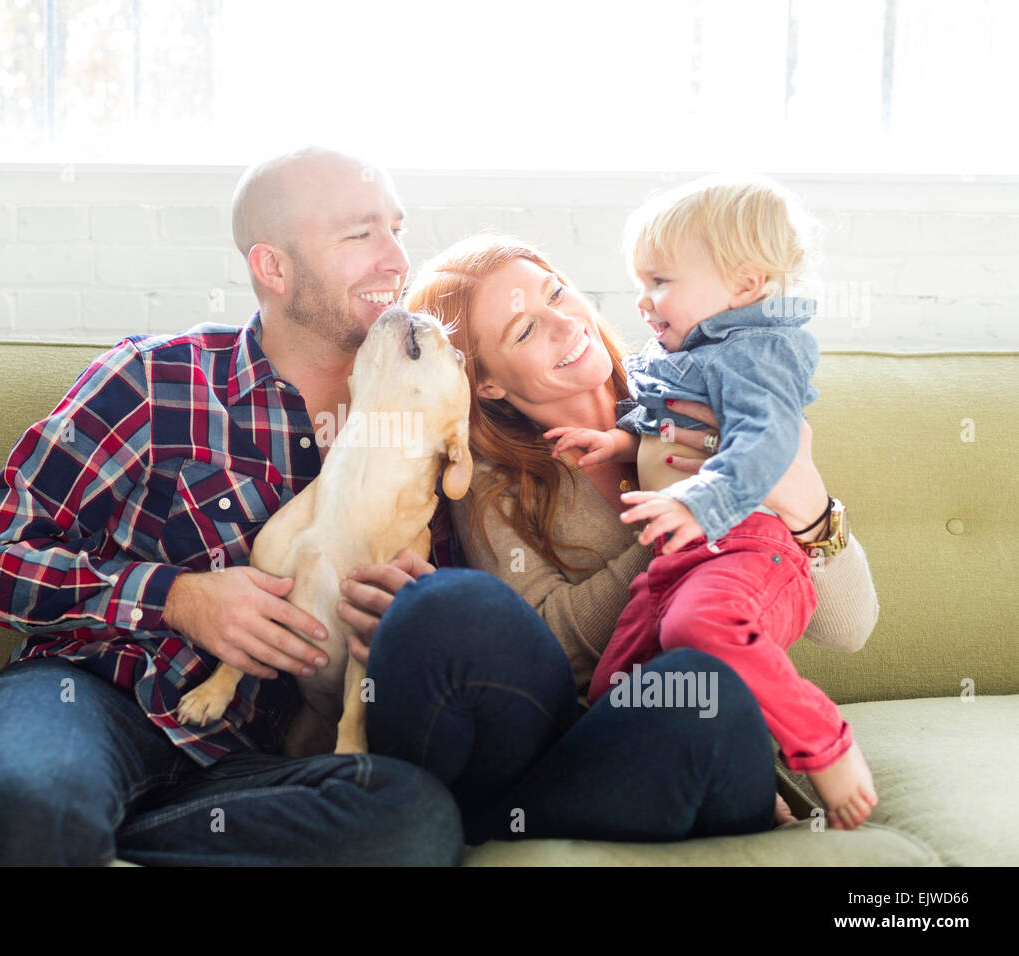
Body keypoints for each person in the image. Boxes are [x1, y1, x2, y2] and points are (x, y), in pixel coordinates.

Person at [0, 145, 465, 866]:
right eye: (360, 234)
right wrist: (175, 598)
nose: (395, 259)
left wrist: (404, 621)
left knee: (413, 823)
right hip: (91, 699)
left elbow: (433, 620)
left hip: (251, 762)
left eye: (398, 228)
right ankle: (34, 820)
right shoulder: (152, 378)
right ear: (274, 267)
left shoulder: (426, 412)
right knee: (37, 803)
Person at [331, 228, 879, 842]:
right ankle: (456, 821)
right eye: (525, 331)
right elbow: (553, 646)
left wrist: (803, 502)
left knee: (706, 688)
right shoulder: (497, 488)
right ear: (487, 384)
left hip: (711, 731)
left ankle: (481, 824)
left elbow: (849, 628)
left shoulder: (698, 389)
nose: (565, 325)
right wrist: (684, 517)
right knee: (450, 608)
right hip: (598, 732)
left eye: (556, 294)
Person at [550, 175, 877, 828]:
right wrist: (616, 441)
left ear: (745, 285)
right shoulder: (690, 352)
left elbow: (766, 443)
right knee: (614, 690)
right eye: (641, 284)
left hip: (749, 548)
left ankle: (825, 746)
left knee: (701, 629)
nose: (644, 302)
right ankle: (749, 779)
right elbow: (669, 425)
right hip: (681, 559)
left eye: (662, 282)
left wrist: (700, 501)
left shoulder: (756, 350)